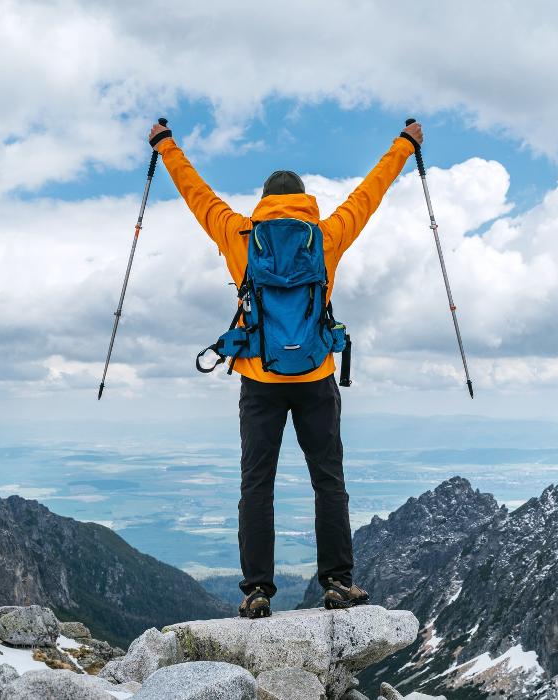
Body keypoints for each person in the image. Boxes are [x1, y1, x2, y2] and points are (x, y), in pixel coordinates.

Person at [148, 119, 423, 617]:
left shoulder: (240, 235)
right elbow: (370, 192)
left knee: (257, 483)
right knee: (328, 479)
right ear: (304, 200)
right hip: (317, 377)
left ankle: (256, 590)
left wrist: (165, 144)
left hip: (258, 378)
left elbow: (196, 193)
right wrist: (405, 145)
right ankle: (338, 581)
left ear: (264, 201)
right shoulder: (326, 236)